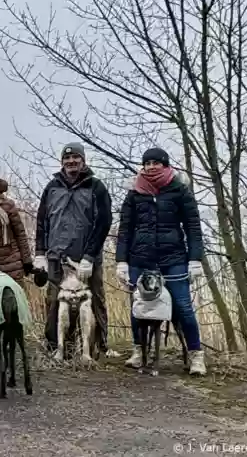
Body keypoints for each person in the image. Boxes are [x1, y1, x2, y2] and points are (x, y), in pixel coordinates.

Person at [115, 147, 206, 375]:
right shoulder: (135, 192)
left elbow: (193, 226)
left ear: (166, 165)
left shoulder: (179, 190)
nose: (152, 166)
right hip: (141, 258)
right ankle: (138, 351)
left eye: (157, 162)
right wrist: (121, 261)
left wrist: (195, 259)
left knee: (183, 307)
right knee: (139, 307)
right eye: (148, 162)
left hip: (173, 257)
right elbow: (125, 229)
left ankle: (196, 355)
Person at [35, 143, 115, 357]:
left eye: (75, 158)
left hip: (86, 258)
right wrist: (40, 253)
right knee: (54, 302)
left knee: (94, 300)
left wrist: (90, 256)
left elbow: (104, 222)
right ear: (62, 162)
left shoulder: (95, 187)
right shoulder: (52, 187)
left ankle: (98, 347)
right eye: (67, 158)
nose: (71, 162)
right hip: (56, 256)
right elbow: (42, 221)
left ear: (83, 160)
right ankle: (57, 347)